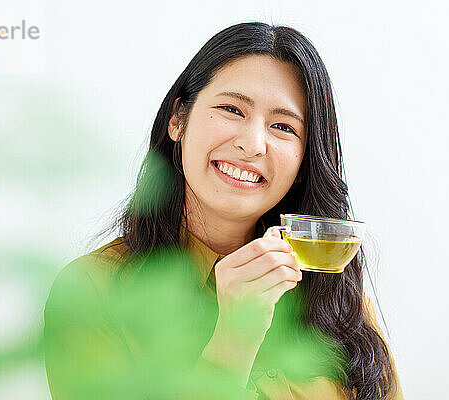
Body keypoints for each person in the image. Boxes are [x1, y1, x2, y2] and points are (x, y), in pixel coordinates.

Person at [44, 21, 403, 400]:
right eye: (232, 109)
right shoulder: (90, 292)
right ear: (178, 119)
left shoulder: (334, 290)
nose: (252, 144)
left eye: (283, 126)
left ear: (303, 163)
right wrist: (234, 337)